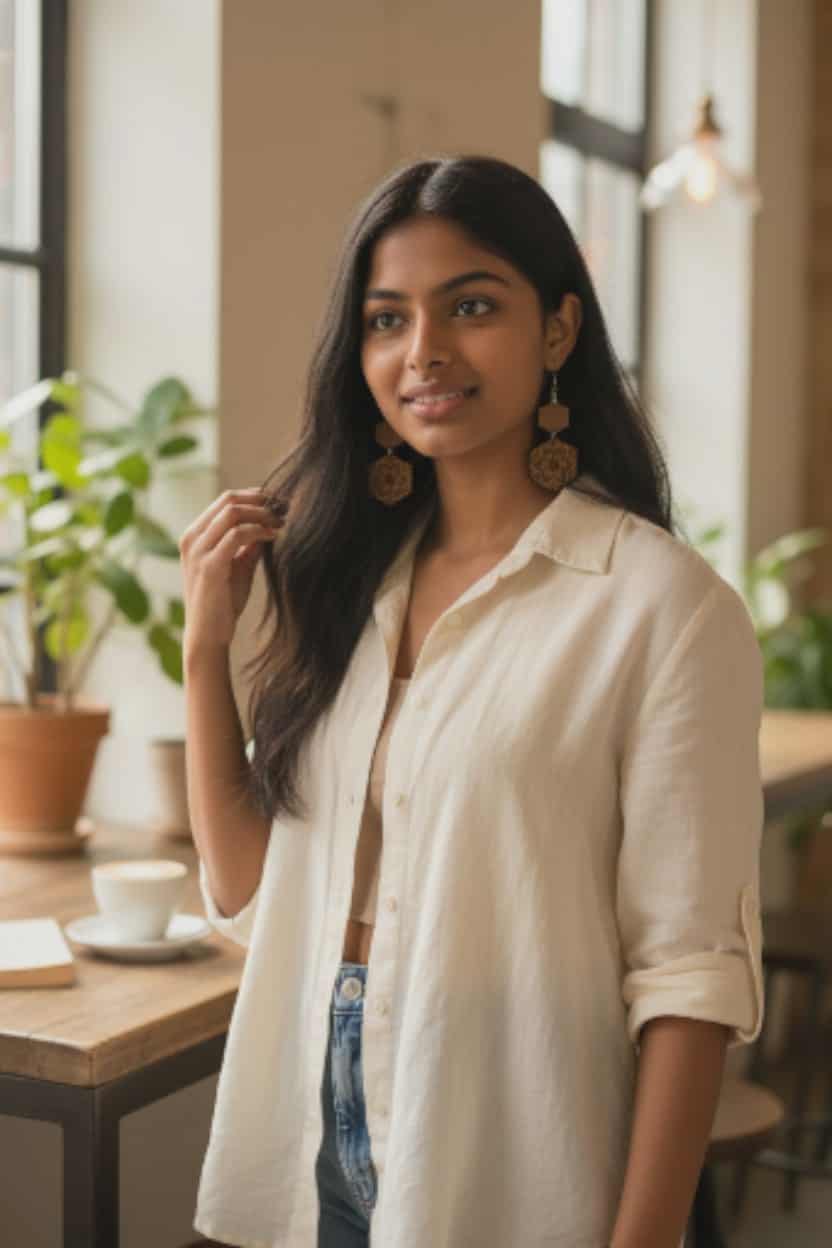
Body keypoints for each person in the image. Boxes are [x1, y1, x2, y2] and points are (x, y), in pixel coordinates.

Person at [182, 154, 765, 1248]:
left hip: (505, 1130)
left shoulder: (661, 607)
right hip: (311, 1114)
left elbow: (690, 979)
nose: (424, 352)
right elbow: (250, 891)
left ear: (558, 330)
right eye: (386, 319)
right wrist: (206, 646)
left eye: (473, 307)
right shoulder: (346, 581)